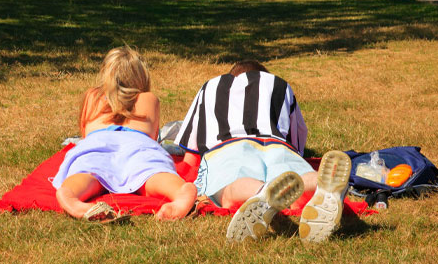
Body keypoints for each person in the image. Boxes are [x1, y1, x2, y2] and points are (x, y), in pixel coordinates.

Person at [174, 60, 351, 242]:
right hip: (278, 146)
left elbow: (191, 152)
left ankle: (262, 192)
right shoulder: (281, 85)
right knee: (298, 177)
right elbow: (297, 144)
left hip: (228, 147)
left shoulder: (210, 87)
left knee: (229, 188)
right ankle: (321, 184)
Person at [52, 46, 197, 222]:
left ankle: (70, 196)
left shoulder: (91, 97)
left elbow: (85, 133)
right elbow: (153, 137)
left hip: (98, 144)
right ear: (142, 77)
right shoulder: (149, 99)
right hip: (139, 144)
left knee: (87, 173)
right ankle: (180, 193)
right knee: (153, 174)